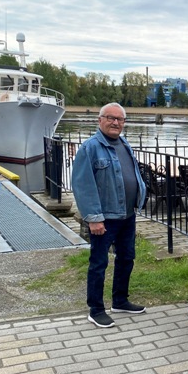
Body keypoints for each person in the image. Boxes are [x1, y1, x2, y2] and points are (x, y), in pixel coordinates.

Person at [72, 102, 147, 328]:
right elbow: (83, 185)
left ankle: (120, 300)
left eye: (120, 119)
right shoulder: (90, 148)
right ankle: (96, 310)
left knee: (126, 258)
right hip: (104, 218)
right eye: (110, 118)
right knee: (99, 263)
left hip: (127, 215)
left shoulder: (124, 144)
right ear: (100, 120)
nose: (115, 122)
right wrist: (94, 218)